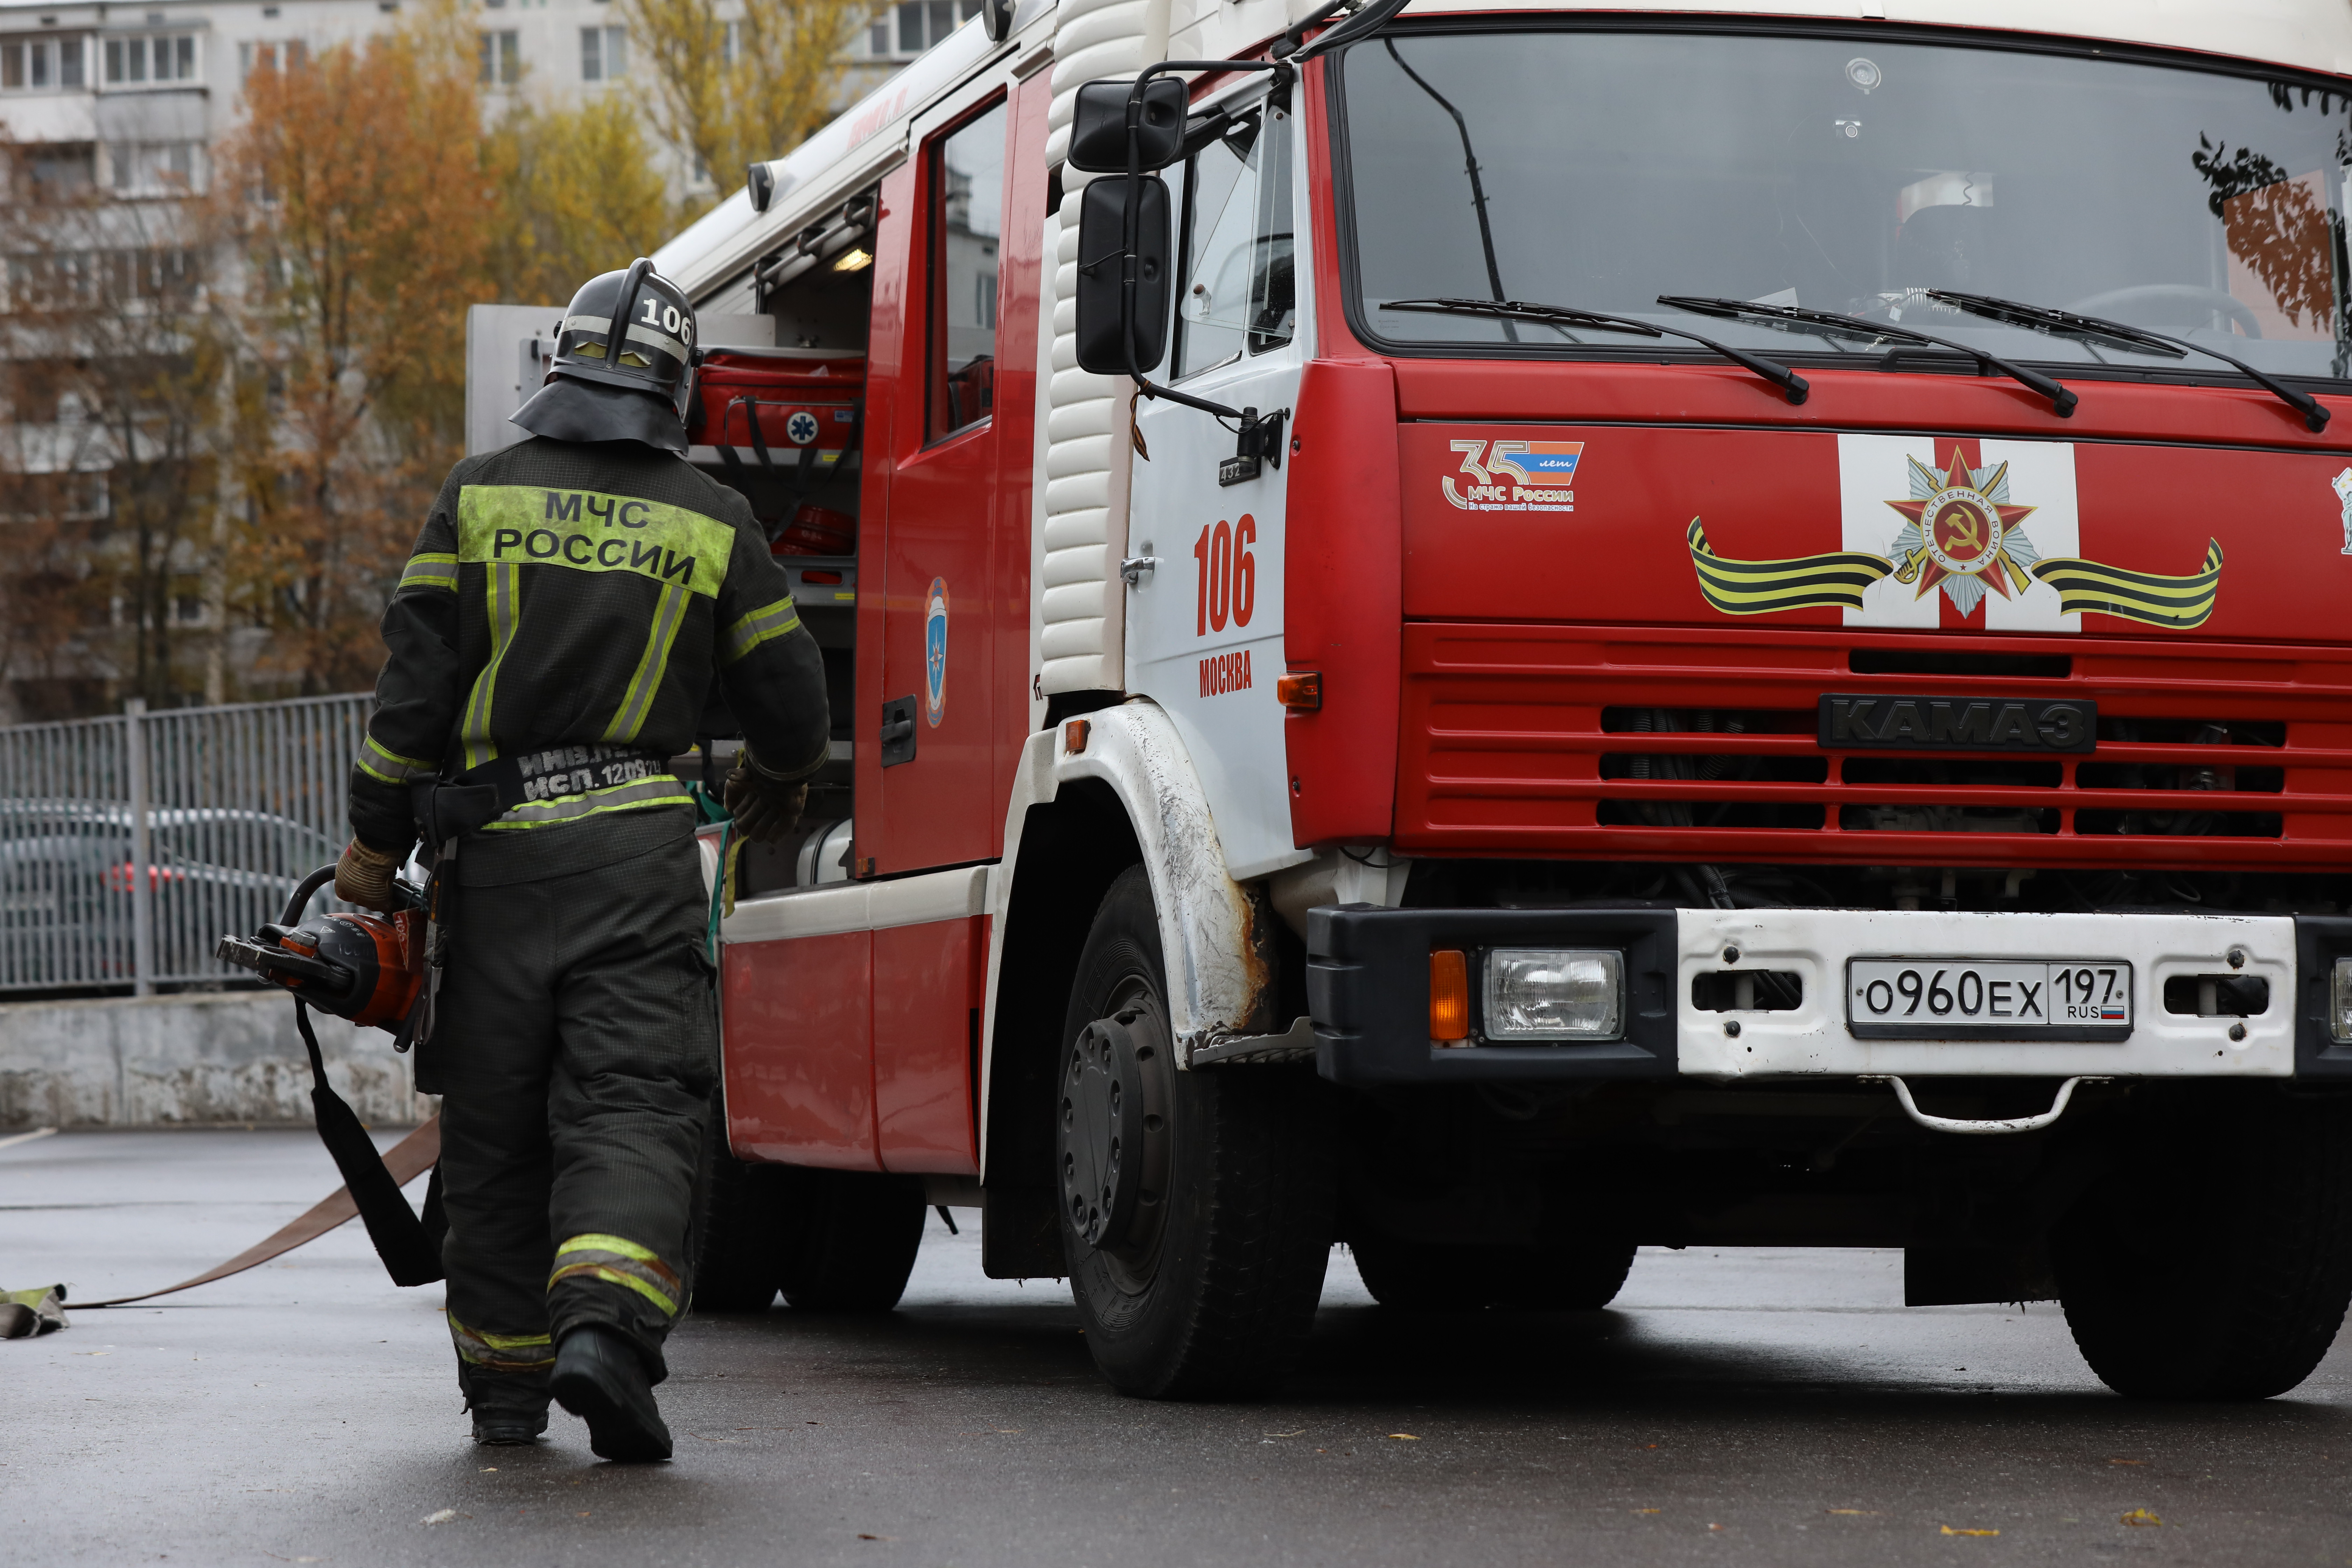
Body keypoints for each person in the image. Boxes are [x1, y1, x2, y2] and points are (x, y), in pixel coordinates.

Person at [332, 259, 826, 1461]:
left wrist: (370, 847)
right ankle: (604, 1335)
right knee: (635, 1108)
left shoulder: (478, 494)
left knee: (494, 1132)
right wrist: (784, 774)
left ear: (558, 370)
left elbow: (415, 691)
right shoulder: (714, 518)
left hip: (491, 876)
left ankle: (503, 1390)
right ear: (675, 391)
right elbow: (792, 694)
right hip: (638, 872)